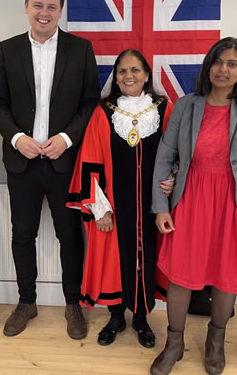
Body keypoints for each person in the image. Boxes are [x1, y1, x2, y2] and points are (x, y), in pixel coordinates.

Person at [150, 37, 237, 375]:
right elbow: (166, 155)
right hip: (190, 197)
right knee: (181, 275)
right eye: (219, 62)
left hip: (233, 203)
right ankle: (174, 343)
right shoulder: (188, 104)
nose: (224, 69)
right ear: (209, 66)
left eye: (233, 64)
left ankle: (215, 341)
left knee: (225, 275)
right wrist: (162, 206)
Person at [0, 0, 100, 340]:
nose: (44, 12)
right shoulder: (7, 49)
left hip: (64, 162)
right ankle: (27, 302)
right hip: (22, 162)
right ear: (26, 7)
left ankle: (73, 304)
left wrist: (67, 139)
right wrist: (18, 137)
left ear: (60, 10)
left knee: (70, 235)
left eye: (52, 6)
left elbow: (90, 103)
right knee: (23, 235)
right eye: (38, 5)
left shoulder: (80, 49)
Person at [67, 49, 174, 348]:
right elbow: (89, 161)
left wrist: (171, 185)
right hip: (115, 204)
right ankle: (116, 317)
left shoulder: (165, 109)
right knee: (114, 260)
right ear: (116, 76)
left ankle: (141, 319)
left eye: (135, 70)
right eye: (123, 71)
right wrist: (100, 209)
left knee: (147, 259)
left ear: (147, 75)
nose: (129, 76)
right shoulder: (104, 112)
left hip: (154, 207)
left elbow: (178, 154)